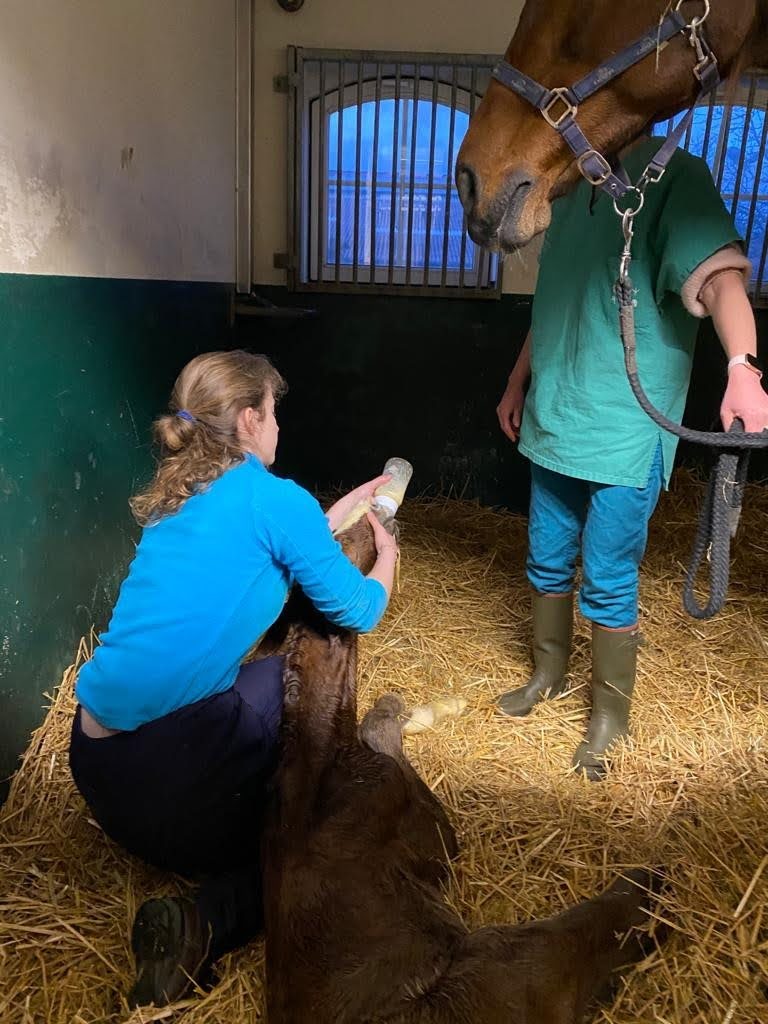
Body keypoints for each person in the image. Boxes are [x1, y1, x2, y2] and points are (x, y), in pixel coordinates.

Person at [68, 349, 399, 1006]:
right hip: (166, 789)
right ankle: (206, 920)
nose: (278, 427)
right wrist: (385, 558)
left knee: (261, 682)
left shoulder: (180, 493)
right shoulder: (277, 501)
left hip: (96, 770)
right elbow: (358, 608)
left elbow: (261, 555)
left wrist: (333, 518)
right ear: (251, 418)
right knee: (313, 826)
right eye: (274, 413)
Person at [495, 135, 768, 781]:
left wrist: (742, 367)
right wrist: (516, 382)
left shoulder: (671, 174)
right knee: (545, 553)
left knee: (609, 575)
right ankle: (548, 673)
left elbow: (723, 277)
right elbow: (554, 301)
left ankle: (609, 717)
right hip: (557, 411)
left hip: (623, 426)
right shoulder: (565, 182)